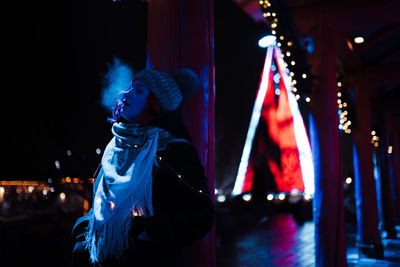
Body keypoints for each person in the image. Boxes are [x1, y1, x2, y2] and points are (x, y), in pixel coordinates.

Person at [72, 68, 214, 267]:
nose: (126, 93)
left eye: (138, 90)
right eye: (130, 88)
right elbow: (103, 205)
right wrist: (85, 230)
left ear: (156, 105)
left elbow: (202, 214)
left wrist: (146, 231)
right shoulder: (117, 146)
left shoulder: (174, 150)